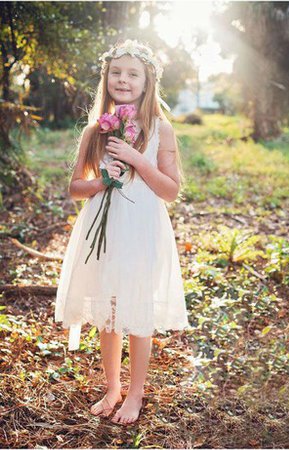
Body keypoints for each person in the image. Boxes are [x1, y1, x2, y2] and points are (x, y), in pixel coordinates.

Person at [54, 39, 190, 426]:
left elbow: (170, 190)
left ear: (147, 82)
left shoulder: (161, 130)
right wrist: (101, 183)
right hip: (104, 228)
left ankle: (135, 393)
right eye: (116, 72)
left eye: (133, 73)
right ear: (106, 78)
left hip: (141, 228)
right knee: (109, 313)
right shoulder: (94, 131)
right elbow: (75, 187)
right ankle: (112, 386)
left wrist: (134, 160)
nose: (123, 79)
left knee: (136, 312)